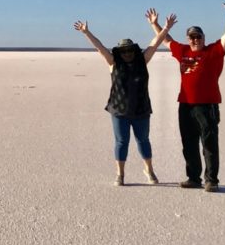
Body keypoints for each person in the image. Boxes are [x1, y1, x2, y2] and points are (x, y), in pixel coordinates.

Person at [148, 0, 225, 192]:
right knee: (188, 144)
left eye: (198, 37)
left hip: (207, 106)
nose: (195, 40)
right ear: (188, 39)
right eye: (192, 37)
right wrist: (155, 24)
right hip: (186, 105)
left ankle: (211, 180)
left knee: (209, 144)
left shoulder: (214, 51)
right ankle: (193, 178)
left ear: (204, 38)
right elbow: (166, 41)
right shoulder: (182, 51)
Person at [73, 12, 176, 186]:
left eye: (130, 50)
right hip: (119, 110)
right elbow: (100, 48)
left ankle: (149, 170)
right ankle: (120, 174)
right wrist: (86, 33)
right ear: (119, 52)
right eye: (124, 51)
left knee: (143, 140)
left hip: (141, 110)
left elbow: (155, 43)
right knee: (121, 142)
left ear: (134, 51)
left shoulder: (143, 60)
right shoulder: (113, 62)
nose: (127, 53)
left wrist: (164, 27)